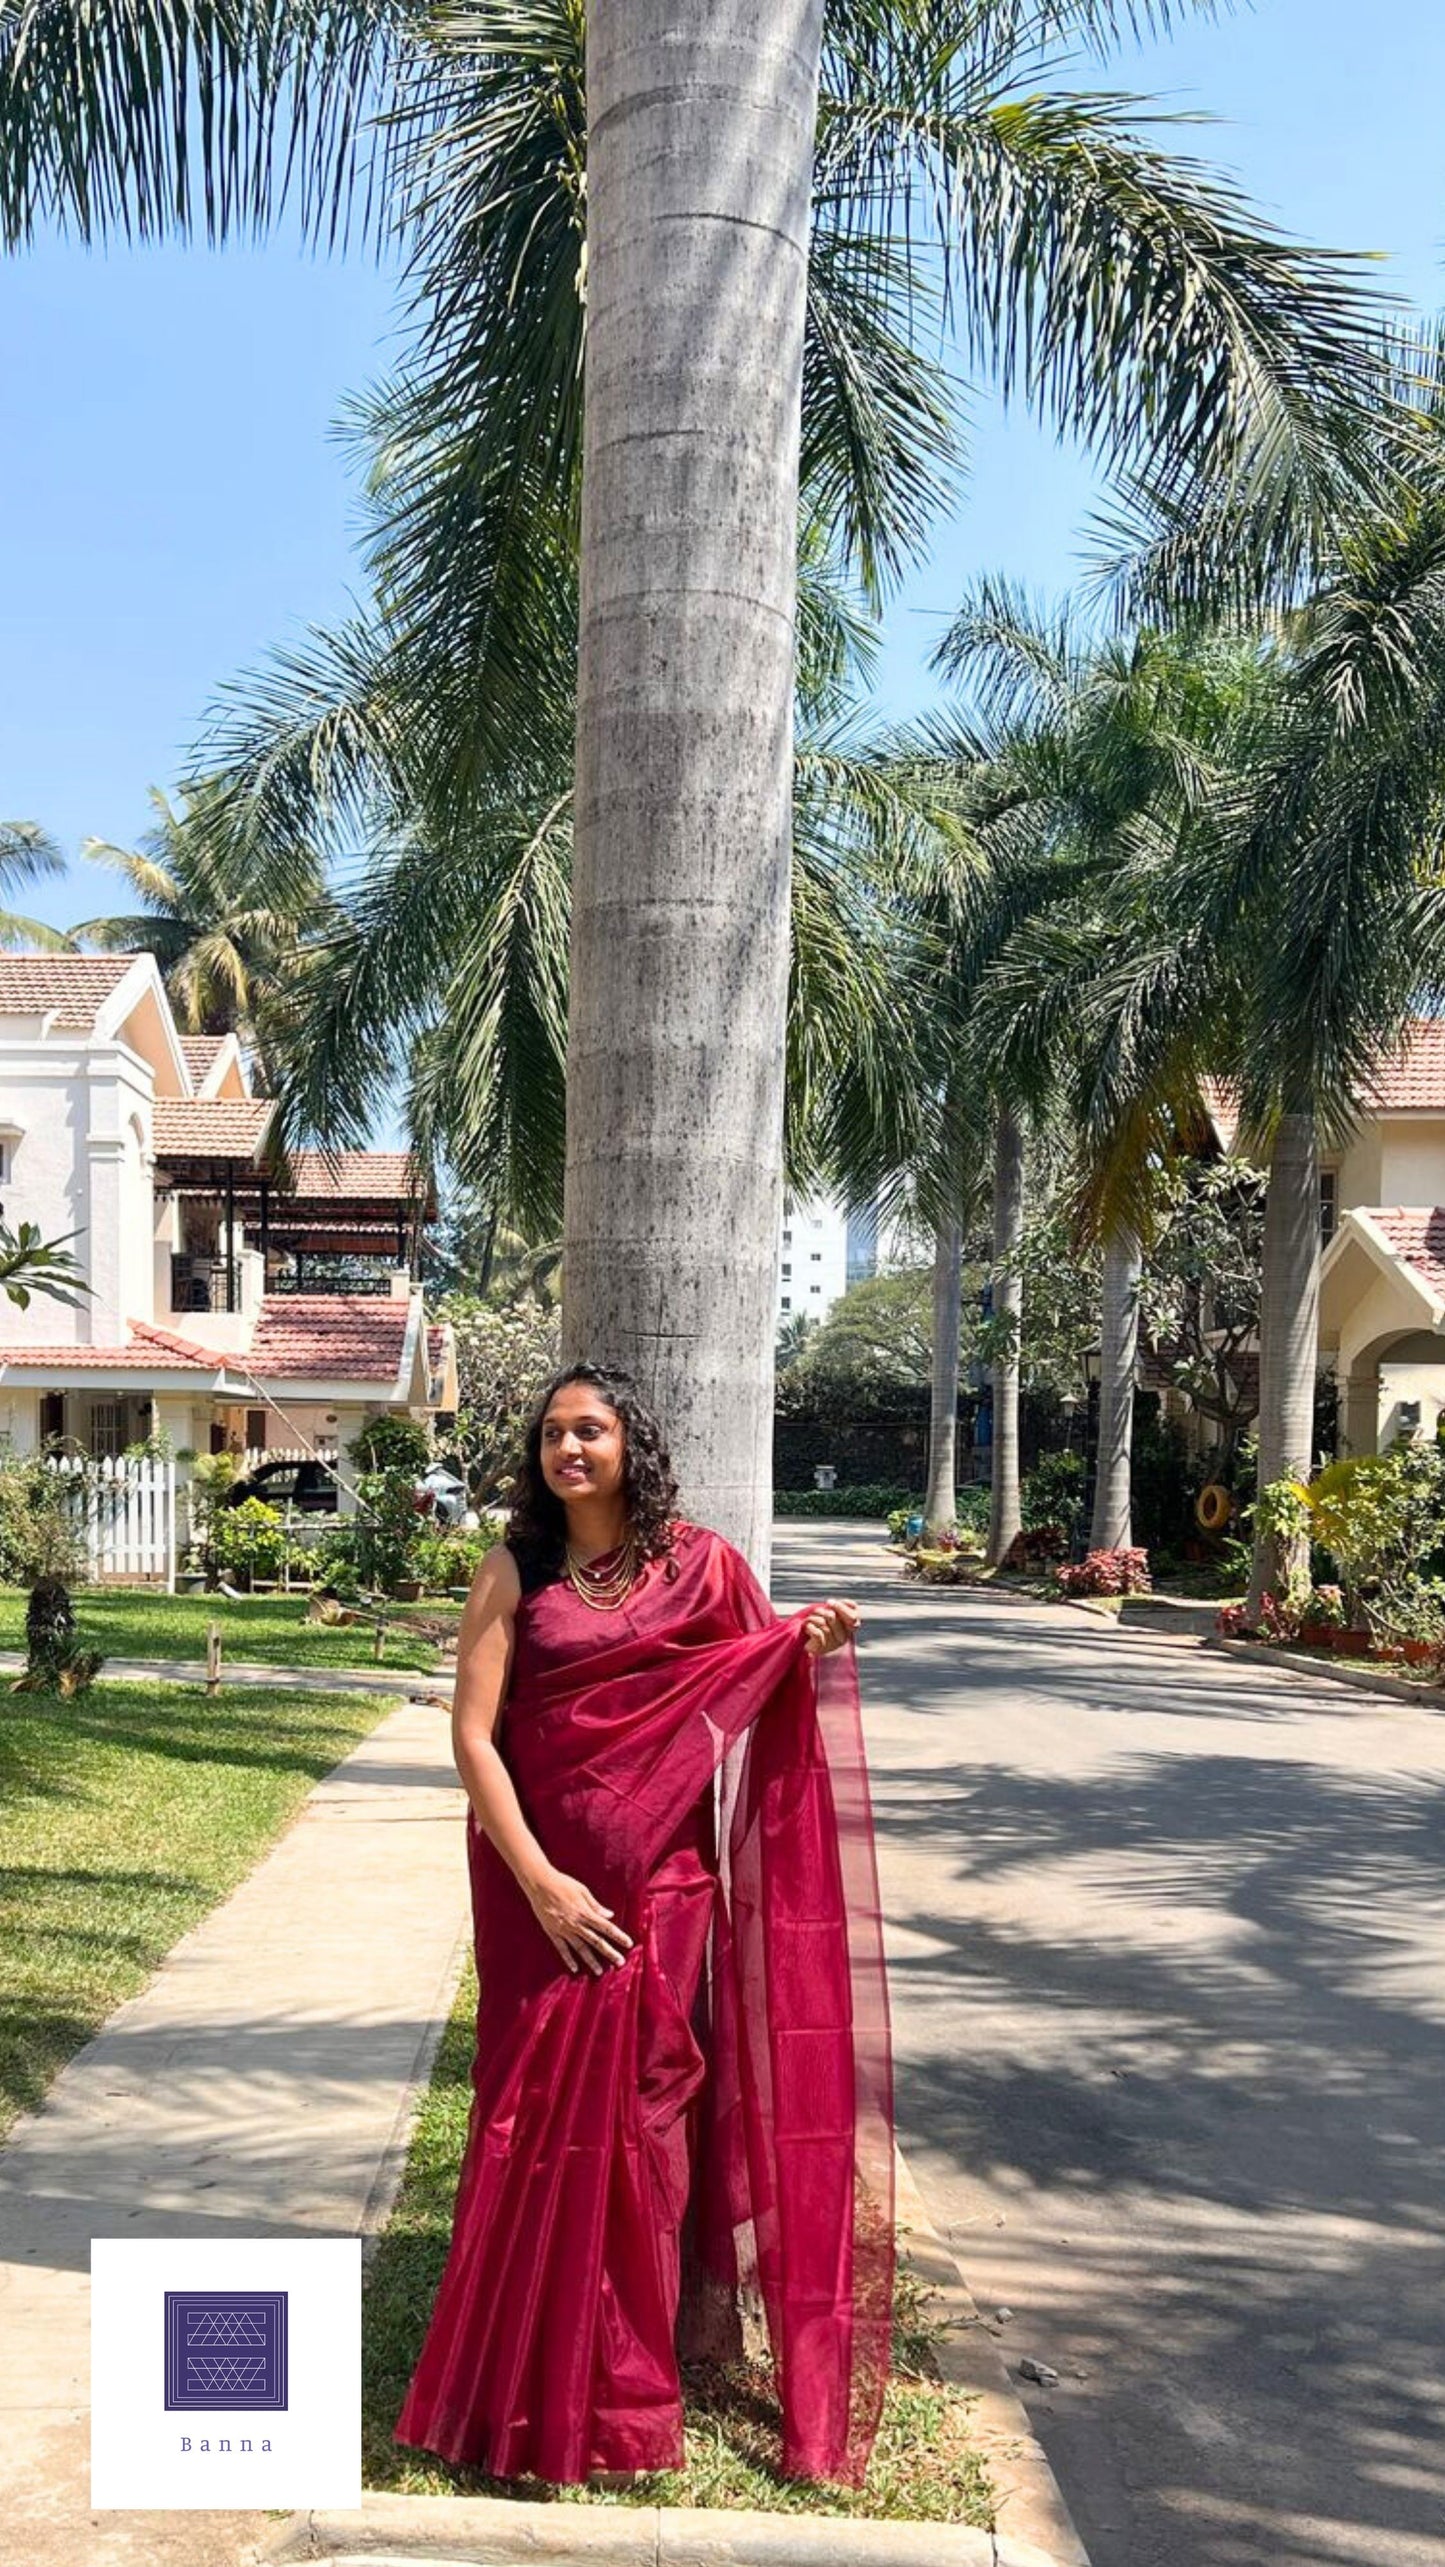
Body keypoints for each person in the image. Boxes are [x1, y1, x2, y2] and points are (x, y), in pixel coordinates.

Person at [393, 1360, 894, 2490]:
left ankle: (621, 2380)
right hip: (537, 1904)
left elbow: (750, 1667)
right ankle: (519, 2376)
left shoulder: (698, 1564)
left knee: (642, 2128)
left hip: (660, 1900)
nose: (569, 1449)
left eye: (591, 1430)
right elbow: (475, 1738)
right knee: (527, 2120)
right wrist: (541, 1884)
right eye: (552, 1434)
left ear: (631, 1444)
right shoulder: (512, 1568)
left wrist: (802, 1640)